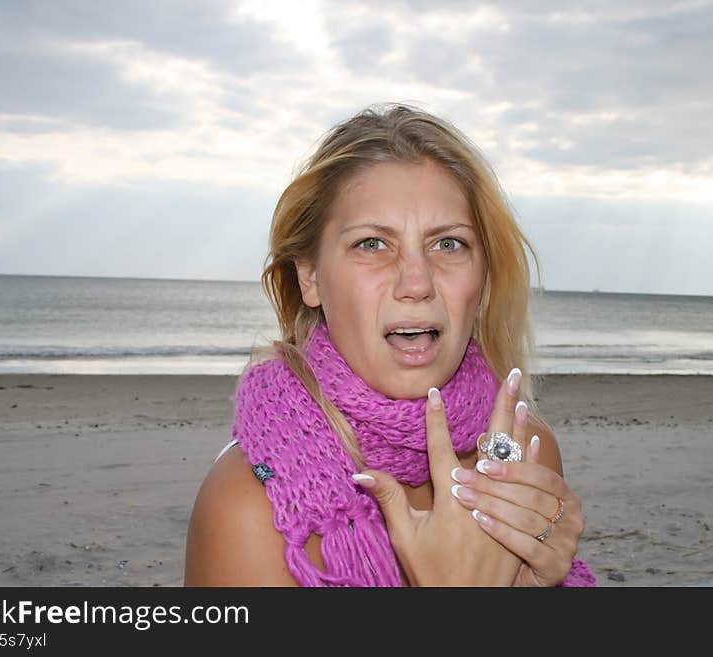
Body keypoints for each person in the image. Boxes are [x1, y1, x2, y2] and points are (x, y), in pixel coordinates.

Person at [184, 103, 595, 586]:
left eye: (449, 244)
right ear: (310, 276)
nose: (417, 282)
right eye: (372, 244)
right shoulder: (248, 507)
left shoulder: (524, 455)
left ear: (483, 276)